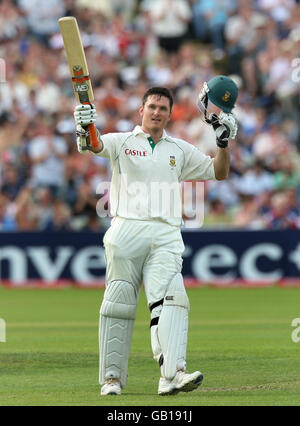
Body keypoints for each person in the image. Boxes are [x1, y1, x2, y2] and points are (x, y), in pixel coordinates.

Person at [73, 79, 238, 396]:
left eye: (163, 108)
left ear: (170, 114)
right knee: (118, 304)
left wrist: (223, 144)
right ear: (141, 110)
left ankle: (172, 374)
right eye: (152, 106)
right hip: (126, 230)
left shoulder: (179, 149)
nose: (157, 112)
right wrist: (84, 124)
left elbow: (219, 172)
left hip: (166, 233)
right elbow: (93, 144)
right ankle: (112, 379)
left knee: (172, 300)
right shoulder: (122, 142)